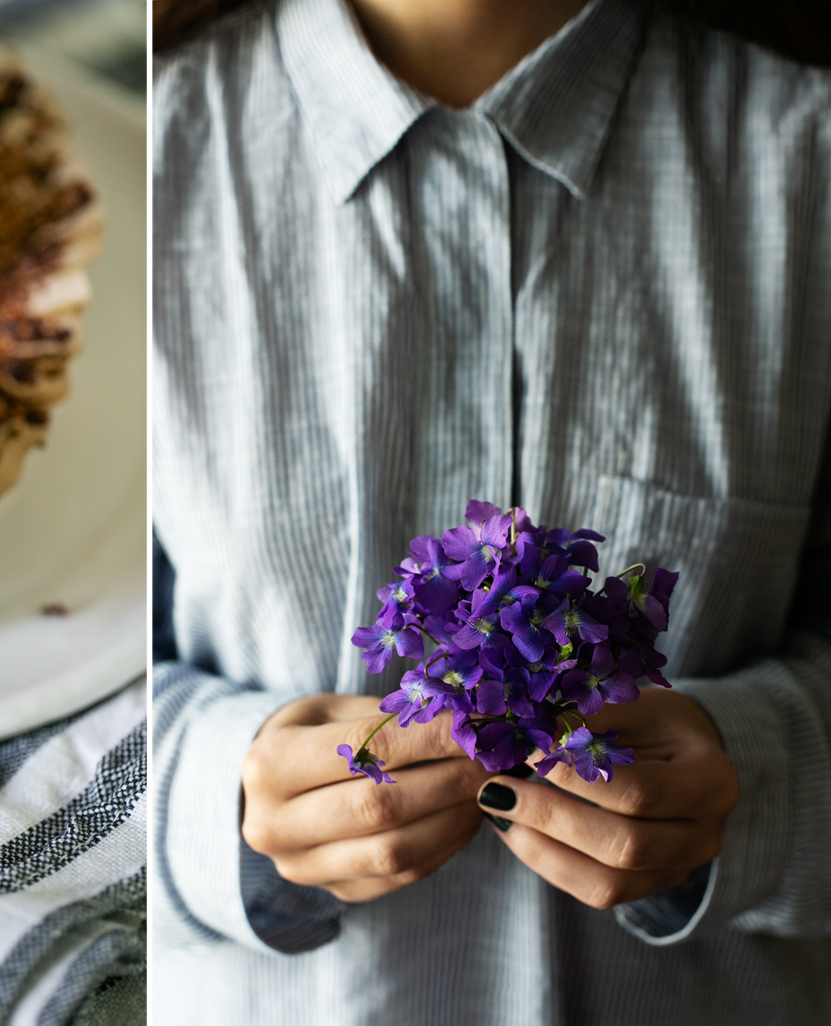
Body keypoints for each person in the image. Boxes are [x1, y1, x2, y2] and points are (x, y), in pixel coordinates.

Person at [150, 0, 831, 1022]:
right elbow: (57, 696)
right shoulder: (148, 156)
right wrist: (212, 800)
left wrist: (764, 782)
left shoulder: (804, 158)